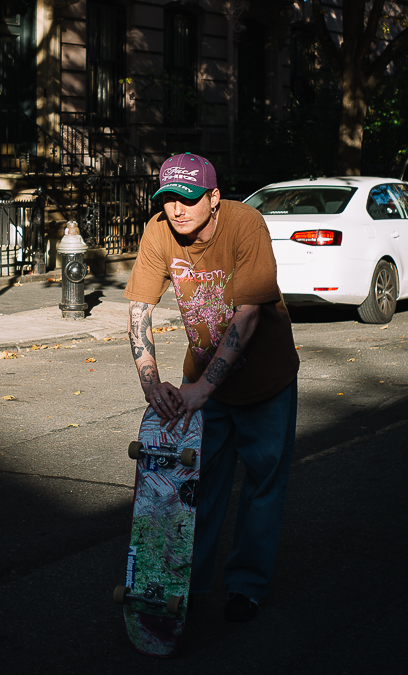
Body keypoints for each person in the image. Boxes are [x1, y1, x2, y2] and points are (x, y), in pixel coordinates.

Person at [124, 153, 299, 622]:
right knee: (194, 485)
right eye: (168, 199)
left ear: (214, 197)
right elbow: (139, 309)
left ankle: (246, 586)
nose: (176, 210)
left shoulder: (245, 224)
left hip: (266, 381)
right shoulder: (158, 231)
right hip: (202, 379)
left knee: (263, 486)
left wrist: (202, 389)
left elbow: (249, 314)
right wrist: (150, 383)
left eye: (188, 199)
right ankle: (188, 583)